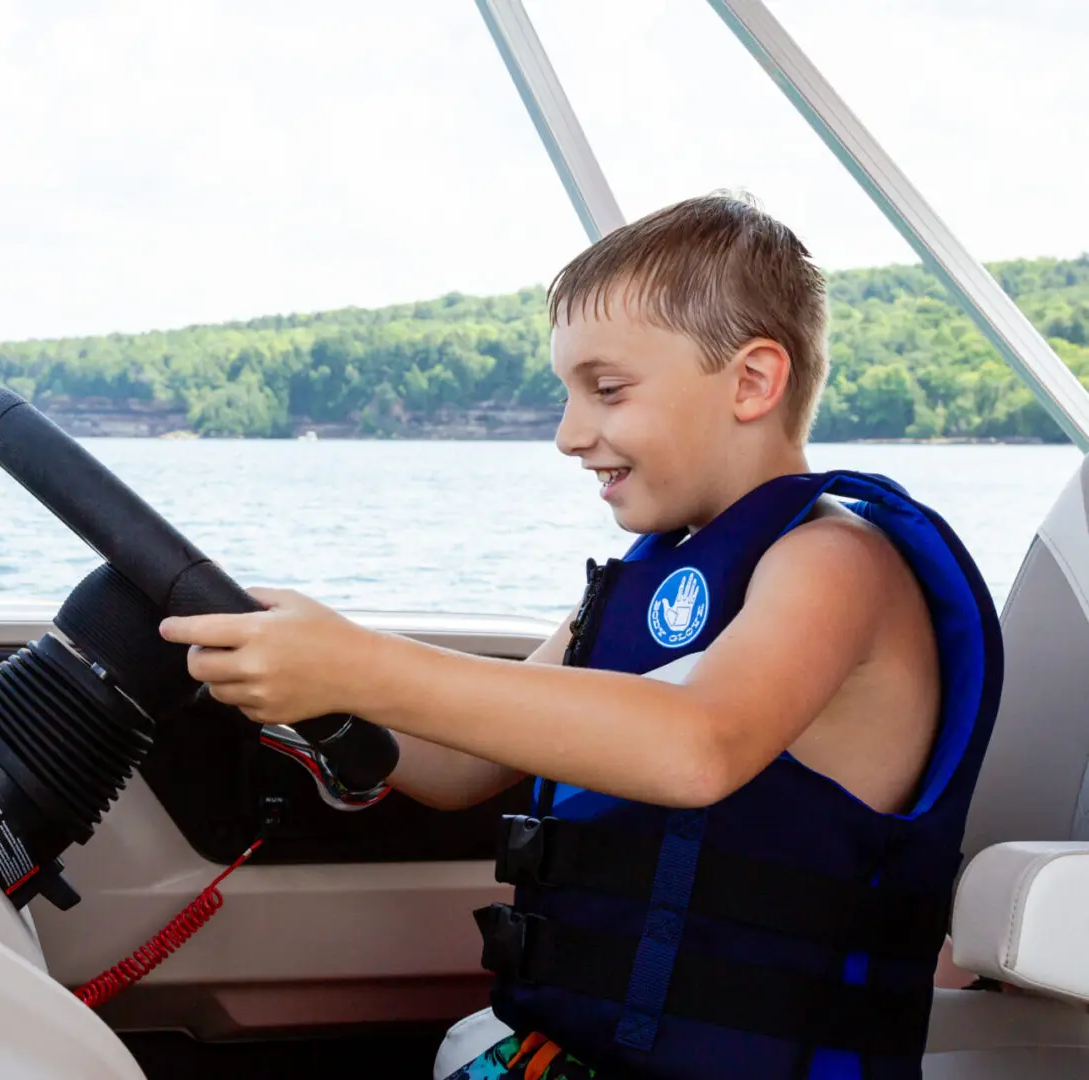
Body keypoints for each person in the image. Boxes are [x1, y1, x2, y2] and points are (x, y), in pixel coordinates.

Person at [158, 192, 1003, 1080]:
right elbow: (456, 768)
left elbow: (698, 747)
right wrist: (285, 673)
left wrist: (361, 662)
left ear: (753, 381)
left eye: (606, 390)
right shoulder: (639, 586)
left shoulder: (836, 564)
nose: (568, 435)